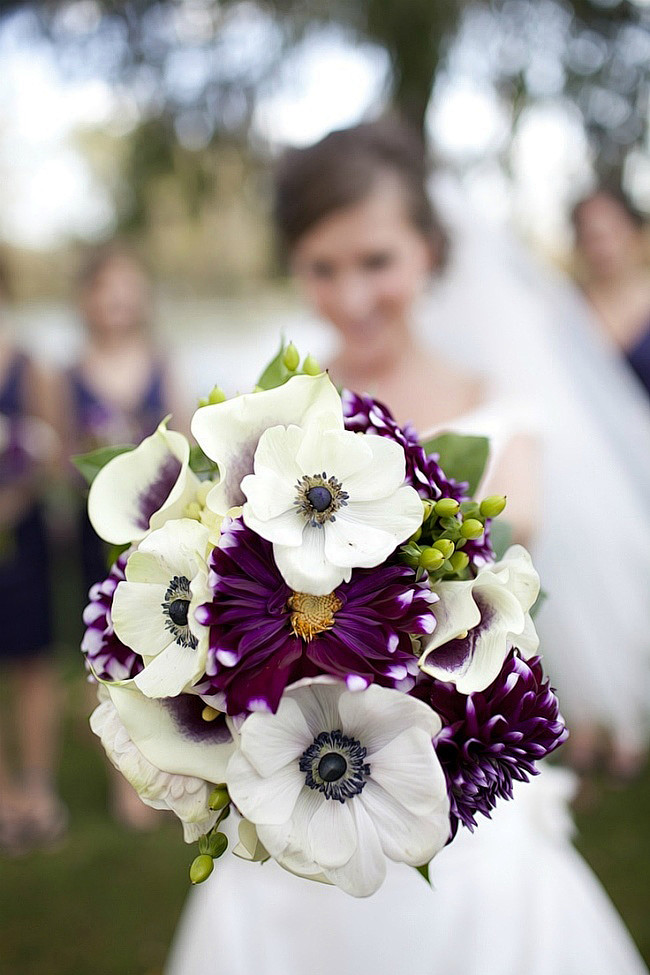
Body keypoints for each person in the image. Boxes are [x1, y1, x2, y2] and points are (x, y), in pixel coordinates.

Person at [165, 120, 649, 975]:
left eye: (376, 261)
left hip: (454, 782)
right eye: (323, 267)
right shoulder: (264, 418)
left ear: (429, 250)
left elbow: (509, 592)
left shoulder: (503, 412)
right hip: (294, 775)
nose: (351, 297)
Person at [64, 243, 188, 829]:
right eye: (105, 288)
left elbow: (187, 444)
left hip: (160, 533)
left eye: (126, 287)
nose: (116, 299)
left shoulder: (162, 362)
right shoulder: (68, 373)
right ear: (87, 298)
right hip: (98, 535)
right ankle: (122, 779)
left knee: (160, 645)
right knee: (108, 650)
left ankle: (168, 764)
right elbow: (62, 455)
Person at [0, 255, 67, 855]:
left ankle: (39, 787)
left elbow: (54, 455)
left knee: (32, 663)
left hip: (22, 535)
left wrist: (16, 487)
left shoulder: (30, 365)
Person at [572, 188, 650, 400]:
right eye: (593, 237)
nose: (604, 247)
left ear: (632, 230)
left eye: (612, 231)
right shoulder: (572, 312)